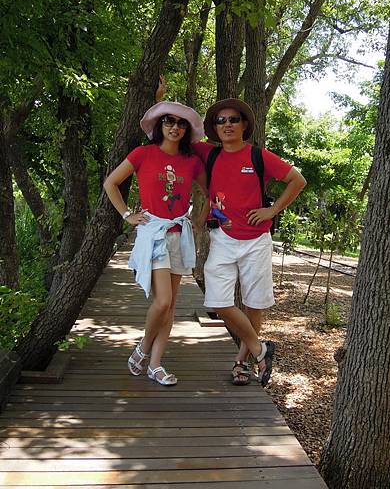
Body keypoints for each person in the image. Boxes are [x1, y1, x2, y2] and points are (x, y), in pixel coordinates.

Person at [194, 99, 306, 386]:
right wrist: (159, 100)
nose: (227, 124)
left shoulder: (259, 156)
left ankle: (241, 363)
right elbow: (171, 130)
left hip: (256, 240)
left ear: (244, 124)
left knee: (253, 304)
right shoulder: (209, 154)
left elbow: (297, 180)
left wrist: (272, 209)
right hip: (222, 238)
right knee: (218, 301)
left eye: (233, 119)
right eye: (221, 121)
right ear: (215, 129)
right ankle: (261, 349)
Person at [104, 101, 206, 386]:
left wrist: (199, 219)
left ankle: (156, 365)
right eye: (169, 121)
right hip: (154, 233)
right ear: (159, 126)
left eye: (181, 123)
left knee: (171, 305)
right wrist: (127, 215)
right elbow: (111, 183)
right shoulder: (143, 154)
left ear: (186, 130)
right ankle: (142, 349)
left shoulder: (192, 161)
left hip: (179, 233)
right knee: (162, 301)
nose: (175, 127)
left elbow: (209, 192)